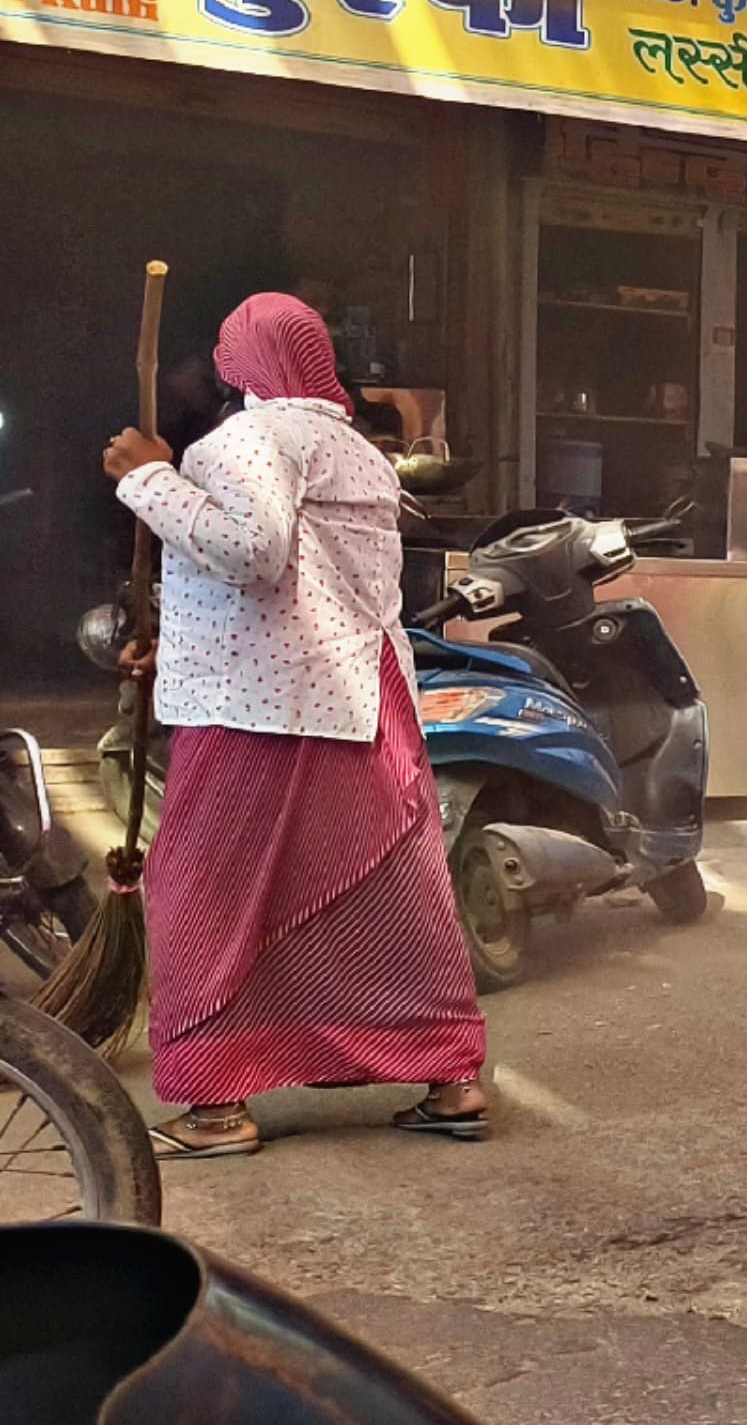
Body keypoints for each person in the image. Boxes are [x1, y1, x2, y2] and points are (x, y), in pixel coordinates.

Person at [101, 292, 488, 1158]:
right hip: (363, 698)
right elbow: (308, 583)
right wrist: (170, 644)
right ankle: (451, 1076)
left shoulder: (249, 438)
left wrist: (146, 478)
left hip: (261, 711)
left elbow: (253, 552)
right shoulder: (358, 451)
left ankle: (214, 1103)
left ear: (241, 364)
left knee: (201, 889)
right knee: (389, 899)